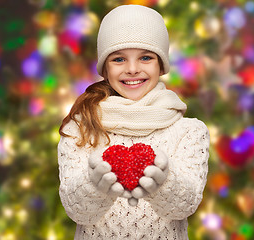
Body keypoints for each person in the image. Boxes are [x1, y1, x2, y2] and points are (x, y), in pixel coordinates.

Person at [58, 4, 209, 239]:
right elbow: (77, 211)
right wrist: (94, 183)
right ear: (105, 68)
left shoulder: (189, 131)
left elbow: (185, 206)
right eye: (119, 59)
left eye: (145, 57)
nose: (132, 69)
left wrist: (164, 180)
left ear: (161, 65)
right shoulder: (81, 128)